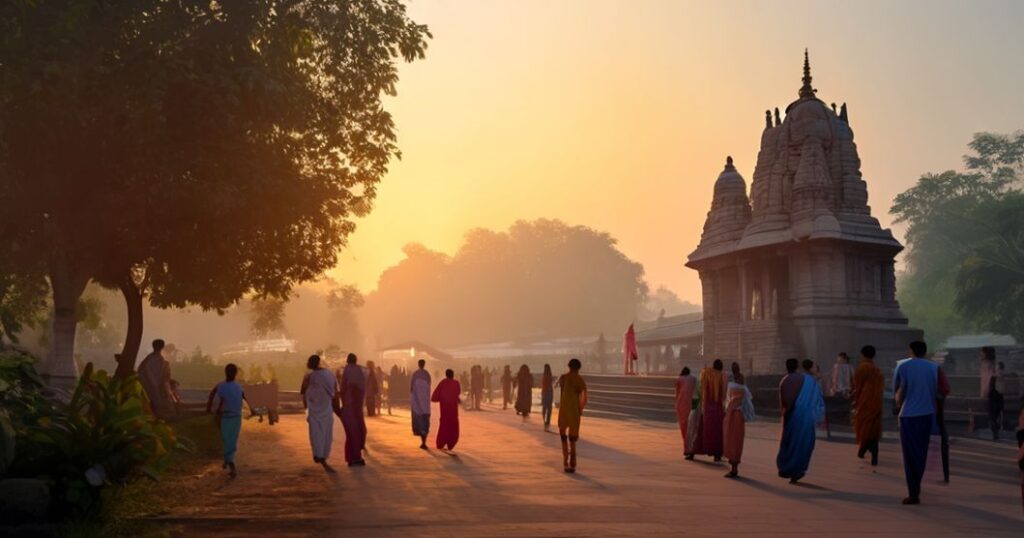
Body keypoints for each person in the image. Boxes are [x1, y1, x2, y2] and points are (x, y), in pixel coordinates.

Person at [893, 340, 948, 505]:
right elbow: (943, 390)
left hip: (908, 415)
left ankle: (913, 491)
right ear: (925, 351)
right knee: (921, 451)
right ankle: (916, 485)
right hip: (927, 414)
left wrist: (897, 404)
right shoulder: (935, 368)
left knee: (909, 454)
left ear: (911, 351)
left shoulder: (903, 367)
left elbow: (901, 390)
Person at [777, 358, 824, 483]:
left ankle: (784, 467)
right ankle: (797, 471)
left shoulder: (784, 380)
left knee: (789, 443)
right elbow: (817, 401)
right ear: (798, 367)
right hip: (805, 417)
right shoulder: (809, 381)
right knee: (803, 444)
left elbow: (783, 403)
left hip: (790, 416)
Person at [206, 363, 248, 477]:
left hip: (226, 417)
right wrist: (255, 409)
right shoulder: (238, 386)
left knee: (227, 440)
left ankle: (230, 462)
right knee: (231, 440)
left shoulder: (221, 385)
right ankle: (229, 460)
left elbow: (212, 395)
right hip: (234, 417)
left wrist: (209, 408)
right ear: (236, 373)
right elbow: (247, 397)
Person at [300, 355, 340, 470]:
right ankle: (323, 455)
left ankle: (318, 454)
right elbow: (335, 392)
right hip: (326, 407)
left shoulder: (308, 376)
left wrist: (306, 409)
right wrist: (337, 409)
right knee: (326, 432)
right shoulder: (329, 374)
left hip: (314, 408)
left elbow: (303, 393)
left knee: (316, 432)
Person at [852, 345, 884, 466]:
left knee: (864, 427)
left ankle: (866, 449)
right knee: (873, 428)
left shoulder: (863, 367)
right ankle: (868, 452)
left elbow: (857, 386)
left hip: (865, 402)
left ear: (862, 354)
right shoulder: (877, 370)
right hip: (876, 402)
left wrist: (855, 400)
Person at [723, 362, 755, 478]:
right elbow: (747, 400)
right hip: (739, 415)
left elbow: (728, 400)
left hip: (732, 414)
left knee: (732, 439)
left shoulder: (731, 384)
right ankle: (734, 466)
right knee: (737, 440)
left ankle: (733, 467)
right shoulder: (742, 383)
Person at [557, 358, 588, 473]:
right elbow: (583, 397)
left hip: (564, 410)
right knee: (573, 439)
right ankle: (573, 464)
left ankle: (565, 462)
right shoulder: (580, 380)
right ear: (578, 368)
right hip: (574, 411)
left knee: (563, 436)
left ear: (569, 366)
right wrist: (580, 409)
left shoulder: (564, 377)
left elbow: (560, 390)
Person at [338, 353, 367, 466]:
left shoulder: (347, 370)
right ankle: (355, 457)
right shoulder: (358, 371)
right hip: (355, 406)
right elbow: (359, 387)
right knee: (357, 431)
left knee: (352, 433)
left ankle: (352, 457)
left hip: (349, 406)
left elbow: (343, 388)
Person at [139, 339, 178, 420]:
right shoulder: (160, 361)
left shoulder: (148, 360)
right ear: (162, 347)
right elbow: (163, 378)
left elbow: (141, 372)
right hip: (154, 387)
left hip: (150, 386)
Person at [697, 359, 726, 461]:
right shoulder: (721, 375)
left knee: (708, 429)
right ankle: (717, 454)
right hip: (717, 406)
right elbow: (723, 393)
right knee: (718, 430)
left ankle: (707, 449)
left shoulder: (705, 373)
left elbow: (701, 386)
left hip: (707, 406)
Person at [431, 369, 462, 450]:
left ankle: (441, 443)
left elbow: (434, 396)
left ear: (446, 375)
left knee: (444, 426)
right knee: (453, 427)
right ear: (453, 375)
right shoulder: (456, 383)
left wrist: (441, 398)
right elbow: (457, 393)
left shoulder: (443, 383)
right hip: (453, 411)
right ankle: (451, 444)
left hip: (444, 410)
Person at [981, 347, 1004, 440]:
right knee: (995, 413)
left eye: (982, 353)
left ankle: (995, 433)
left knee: (993, 414)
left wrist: (984, 393)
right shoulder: (994, 363)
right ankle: (996, 431)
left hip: (993, 392)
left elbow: (987, 379)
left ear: (986, 354)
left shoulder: (987, 364)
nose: (980, 355)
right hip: (998, 392)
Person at [674, 367, 697, 459]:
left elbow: (677, 393)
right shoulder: (693, 379)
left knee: (684, 429)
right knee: (692, 428)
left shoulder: (679, 380)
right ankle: (691, 449)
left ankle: (687, 449)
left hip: (681, 405)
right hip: (692, 405)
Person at [410, 359, 432, 449]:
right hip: (425, 403)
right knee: (425, 421)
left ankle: (423, 442)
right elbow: (429, 387)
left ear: (418, 364)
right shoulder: (427, 375)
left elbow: (411, 389)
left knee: (419, 421)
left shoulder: (415, 375)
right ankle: (424, 442)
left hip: (417, 404)